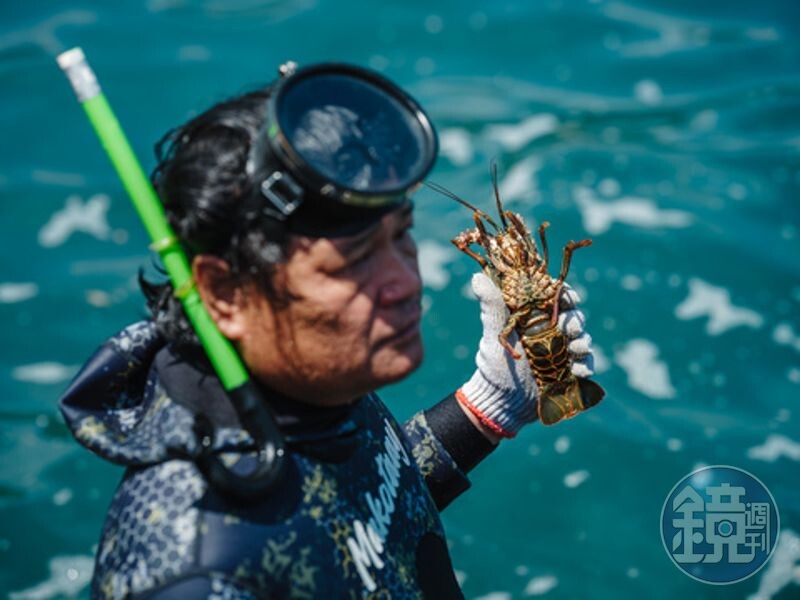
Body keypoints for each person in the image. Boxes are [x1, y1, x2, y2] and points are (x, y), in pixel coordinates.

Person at [59, 62, 597, 598]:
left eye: (402, 235)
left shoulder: (306, 388)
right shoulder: (196, 576)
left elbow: (352, 520)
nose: (405, 279)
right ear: (224, 294)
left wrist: (486, 407)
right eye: (349, 263)